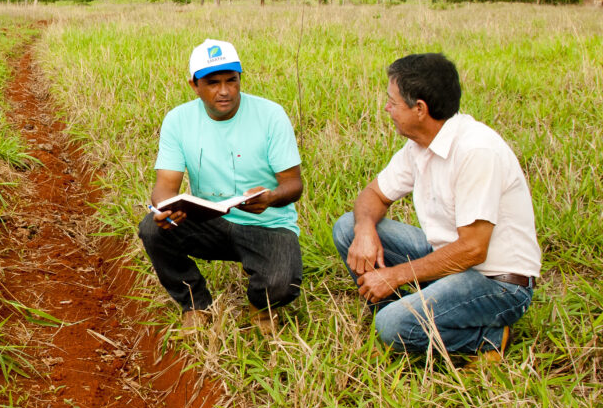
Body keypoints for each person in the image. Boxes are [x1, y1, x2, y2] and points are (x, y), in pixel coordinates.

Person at [332, 53, 540, 361]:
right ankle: (413, 313)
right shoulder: (419, 144)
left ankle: (488, 337)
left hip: (496, 282)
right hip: (447, 260)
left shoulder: (476, 151)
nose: (386, 109)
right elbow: (373, 194)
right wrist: (364, 231)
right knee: (347, 227)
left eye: (393, 102)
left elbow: (473, 250)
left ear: (420, 109)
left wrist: (397, 275)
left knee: (392, 327)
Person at [138, 38, 304, 334]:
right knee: (153, 228)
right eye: (213, 82)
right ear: (194, 85)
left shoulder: (271, 115)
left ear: (241, 79)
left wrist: (271, 197)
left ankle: (260, 303)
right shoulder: (178, 121)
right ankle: (195, 303)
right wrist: (164, 209)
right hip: (211, 221)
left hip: (267, 221)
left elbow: (293, 184)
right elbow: (165, 185)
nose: (225, 90)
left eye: (232, 80)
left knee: (283, 285)